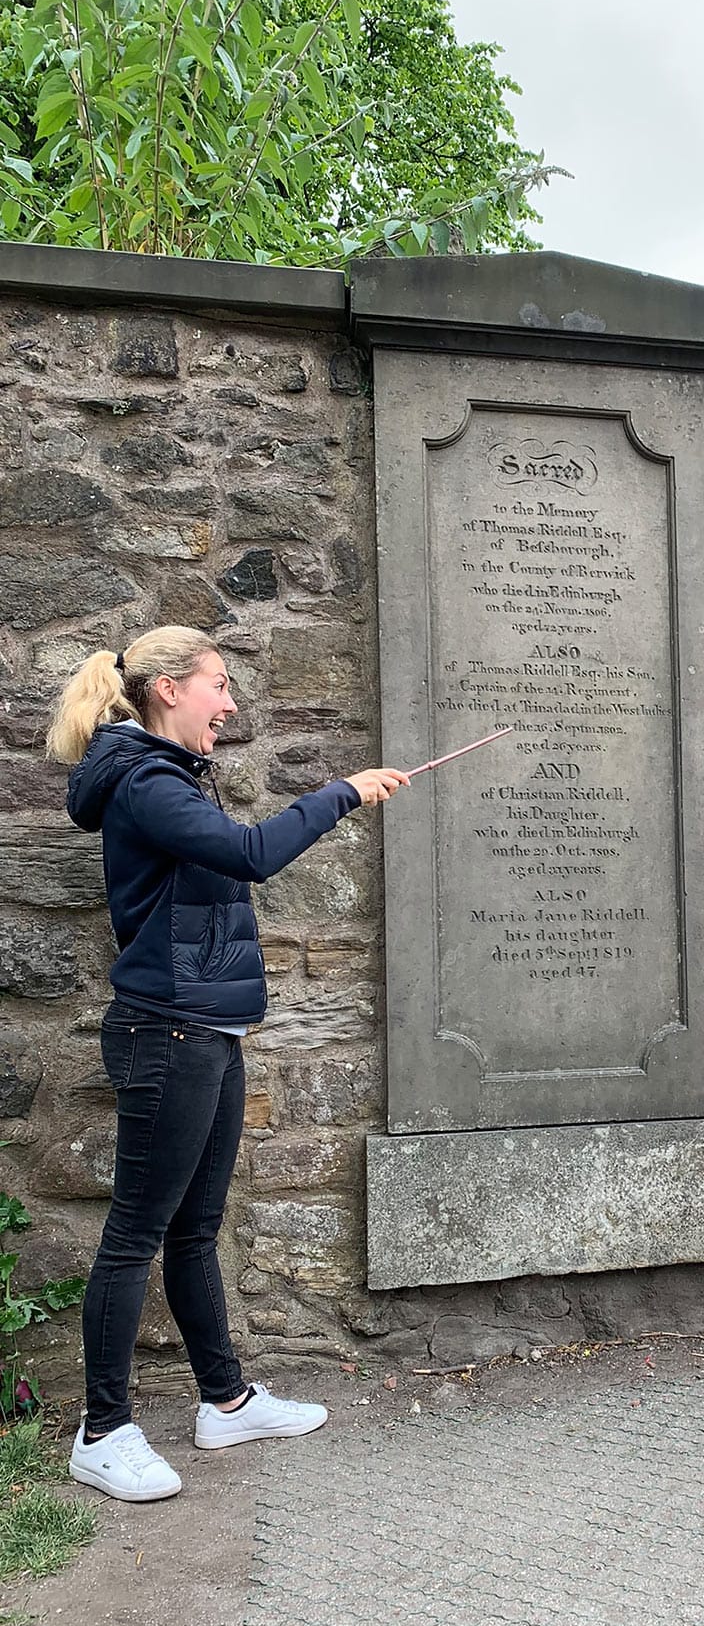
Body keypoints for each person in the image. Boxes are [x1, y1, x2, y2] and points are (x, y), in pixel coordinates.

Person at [45, 627, 408, 1501]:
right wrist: (344, 793)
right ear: (169, 688)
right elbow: (250, 854)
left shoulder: (165, 777)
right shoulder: (143, 779)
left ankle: (226, 1401)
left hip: (207, 1029)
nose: (232, 702)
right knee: (136, 1233)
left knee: (193, 1229)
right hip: (166, 1032)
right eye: (219, 684)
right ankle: (102, 1432)